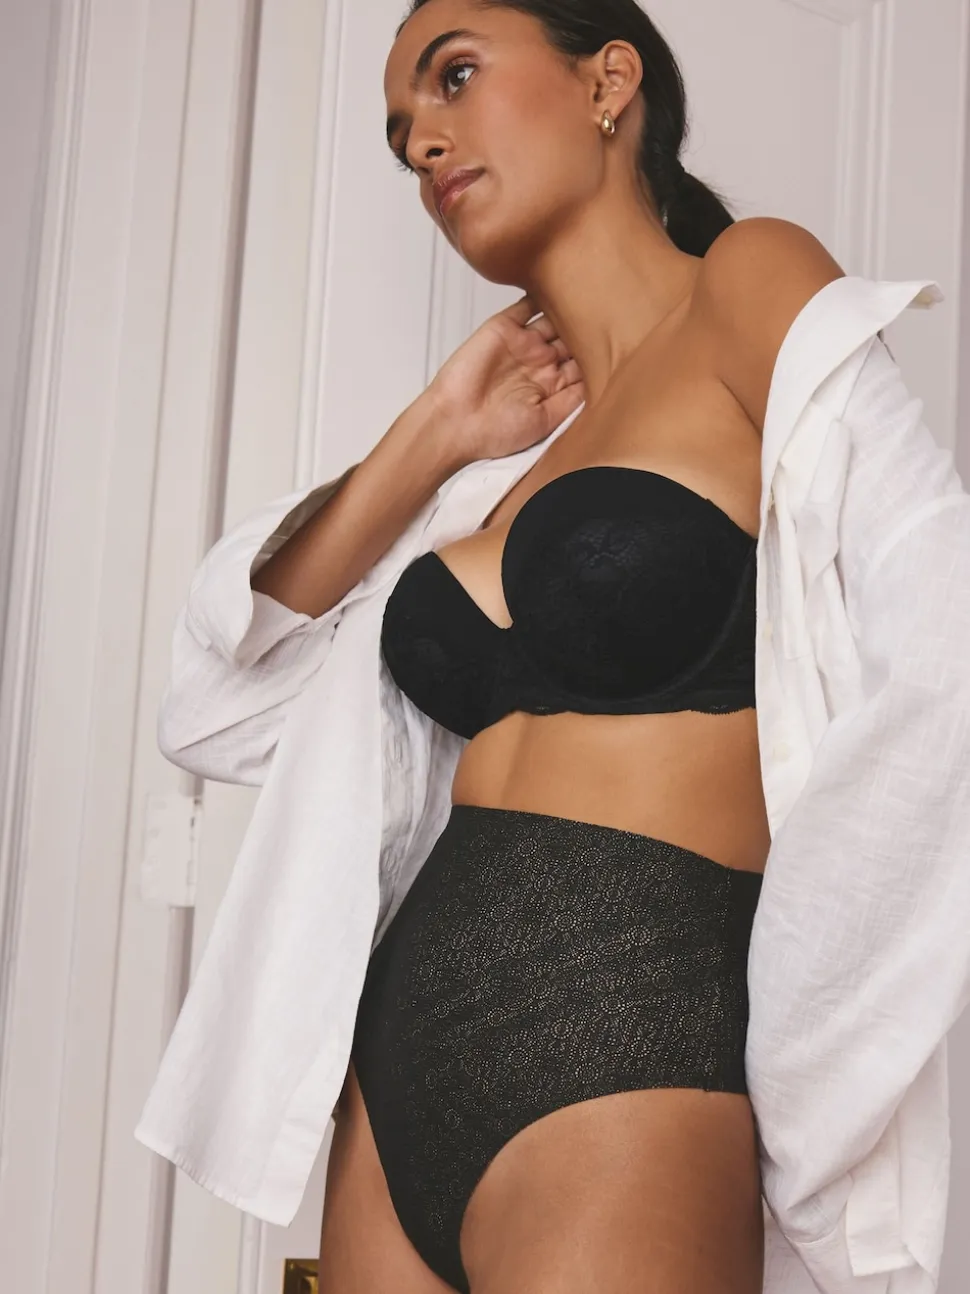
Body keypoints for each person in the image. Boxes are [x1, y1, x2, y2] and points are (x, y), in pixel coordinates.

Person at [135, 2, 970, 1293]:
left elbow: (942, 631)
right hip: (397, 1069)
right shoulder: (493, 471)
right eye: (400, 131)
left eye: (455, 76)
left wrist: (808, 1050)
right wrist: (434, 432)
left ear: (607, 81)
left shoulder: (750, 282)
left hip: (632, 1014)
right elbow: (215, 706)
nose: (422, 140)